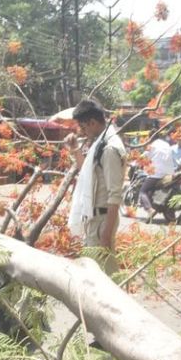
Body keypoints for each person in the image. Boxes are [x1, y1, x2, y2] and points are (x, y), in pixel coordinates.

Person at [66, 99, 126, 251]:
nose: (82, 132)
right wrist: (75, 149)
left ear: (92, 123)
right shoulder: (100, 145)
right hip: (95, 220)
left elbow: (115, 195)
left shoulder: (109, 149)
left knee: (102, 271)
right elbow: (87, 175)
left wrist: (106, 234)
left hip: (102, 221)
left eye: (83, 127)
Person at [140, 136, 176, 215]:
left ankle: (150, 209)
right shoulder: (166, 144)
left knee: (143, 191)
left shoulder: (152, 145)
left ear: (151, 138)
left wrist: (137, 161)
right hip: (168, 173)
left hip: (156, 174)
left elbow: (143, 156)